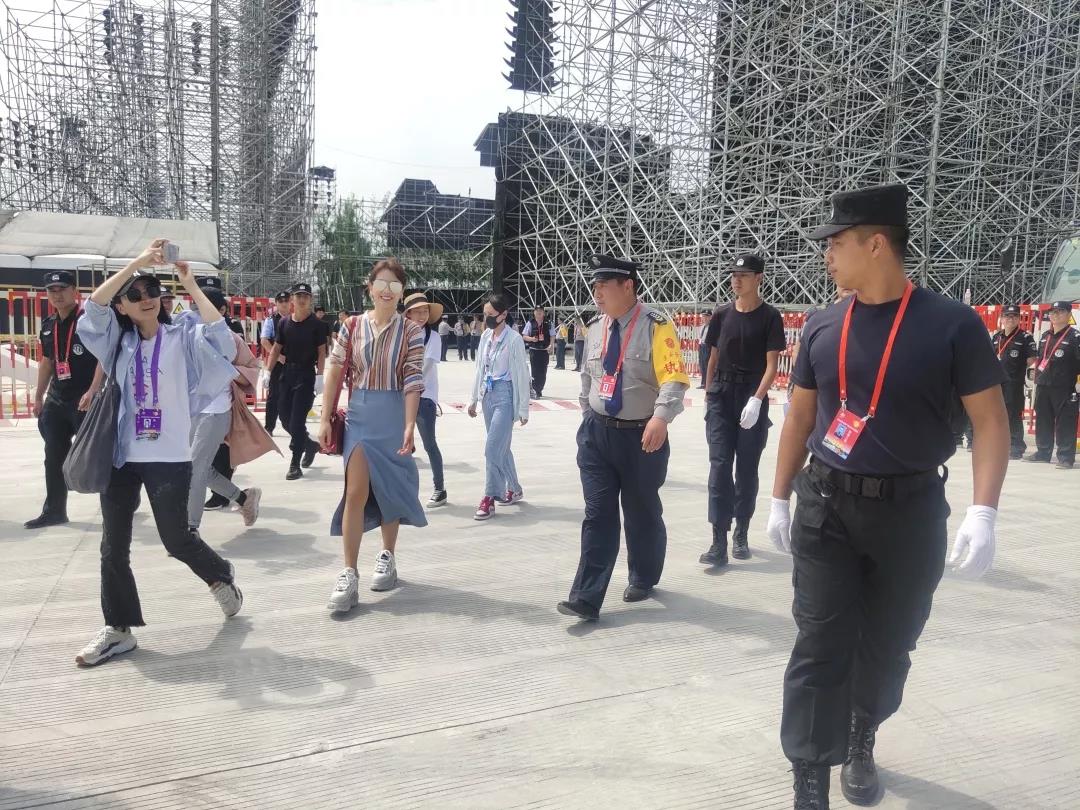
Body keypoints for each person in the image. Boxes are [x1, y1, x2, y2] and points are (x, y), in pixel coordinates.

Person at [766, 184, 1008, 808]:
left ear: (876, 245)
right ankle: (810, 773)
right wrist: (779, 498)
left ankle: (861, 733)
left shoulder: (952, 326)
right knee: (819, 640)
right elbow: (799, 418)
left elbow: (990, 423)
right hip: (827, 504)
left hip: (910, 512)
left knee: (889, 643)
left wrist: (983, 512)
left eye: (837, 242)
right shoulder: (823, 325)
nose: (827, 254)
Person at [73, 239, 244, 667]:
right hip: (121, 456)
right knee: (113, 546)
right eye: (134, 295)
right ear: (123, 306)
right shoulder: (117, 342)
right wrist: (136, 263)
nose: (145, 298)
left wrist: (190, 284)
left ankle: (220, 574)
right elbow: (92, 309)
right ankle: (118, 629)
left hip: (169, 456)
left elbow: (222, 339)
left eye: (151, 290)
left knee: (176, 539)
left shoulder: (183, 336)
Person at [558, 254, 689, 621]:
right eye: (595, 286)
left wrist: (661, 418)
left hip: (641, 437)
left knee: (641, 510)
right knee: (598, 514)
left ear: (628, 286)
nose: (596, 293)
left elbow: (674, 377)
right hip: (597, 435)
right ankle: (586, 597)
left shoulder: (657, 326)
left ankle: (643, 575)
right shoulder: (595, 326)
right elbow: (588, 376)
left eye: (604, 285)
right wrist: (588, 412)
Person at [319, 259, 427, 613]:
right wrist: (324, 417)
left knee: (389, 488)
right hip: (361, 416)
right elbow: (335, 369)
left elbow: (413, 378)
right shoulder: (352, 325)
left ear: (402, 292)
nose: (387, 291)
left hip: (394, 415)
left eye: (395, 285)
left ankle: (387, 556)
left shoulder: (411, 331)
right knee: (355, 491)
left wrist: (409, 425)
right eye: (381, 284)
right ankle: (349, 572)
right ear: (370, 288)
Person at [699, 254, 785, 566]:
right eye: (734, 275)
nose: (736, 280)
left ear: (758, 278)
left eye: (744, 275)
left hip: (751, 395)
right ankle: (718, 540)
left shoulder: (770, 317)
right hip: (722, 396)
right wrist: (709, 394)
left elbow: (772, 364)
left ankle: (741, 533)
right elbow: (712, 357)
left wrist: (757, 399)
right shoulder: (722, 314)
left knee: (747, 469)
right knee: (719, 466)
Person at [186, 281, 271, 535]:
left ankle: (190, 528)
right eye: (195, 306)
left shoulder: (231, 339)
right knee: (198, 468)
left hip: (216, 410)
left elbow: (251, 368)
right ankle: (244, 498)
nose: (198, 312)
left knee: (195, 469)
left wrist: (228, 370)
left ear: (221, 311)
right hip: (189, 411)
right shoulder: (184, 334)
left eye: (204, 307)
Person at [25, 270, 104, 529]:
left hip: (85, 399)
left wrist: (93, 390)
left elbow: (103, 358)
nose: (57, 295)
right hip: (57, 400)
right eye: (52, 290)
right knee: (53, 454)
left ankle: (119, 504)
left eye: (62, 289)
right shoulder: (49, 324)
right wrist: (39, 396)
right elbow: (47, 362)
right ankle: (55, 511)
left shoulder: (87, 322)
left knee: (98, 455)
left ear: (75, 292)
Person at [468, 294, 530, 520]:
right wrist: (474, 398)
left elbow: (522, 374)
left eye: (491, 314)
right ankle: (514, 488)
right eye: (485, 314)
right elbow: (479, 368)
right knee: (501, 447)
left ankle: (489, 498)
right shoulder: (486, 336)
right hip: (488, 394)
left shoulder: (514, 339)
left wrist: (523, 408)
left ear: (503, 315)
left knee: (492, 448)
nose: (487, 318)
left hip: (505, 395)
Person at [263, 282, 325, 480]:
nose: (302, 299)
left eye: (306, 296)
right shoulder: (284, 323)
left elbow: (321, 352)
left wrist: (320, 376)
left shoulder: (317, 325)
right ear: (292, 300)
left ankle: (295, 463)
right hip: (287, 374)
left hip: (306, 376)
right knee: (285, 419)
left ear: (310, 300)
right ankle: (309, 445)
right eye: (298, 296)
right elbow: (276, 349)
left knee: (297, 421)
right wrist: (267, 371)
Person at [403, 292, 448, 508]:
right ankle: (402, 490)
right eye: (417, 312)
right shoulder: (400, 335)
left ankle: (440, 489)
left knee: (429, 444)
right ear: (408, 315)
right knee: (400, 445)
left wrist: (405, 383)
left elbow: (426, 366)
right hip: (401, 396)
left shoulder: (433, 337)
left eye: (425, 311)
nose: (422, 316)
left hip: (424, 397)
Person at [1025, 300, 1080, 468]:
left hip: (1064, 387)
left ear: (1069, 314)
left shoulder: (1075, 337)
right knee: (1043, 419)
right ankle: (1043, 452)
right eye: (1053, 312)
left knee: (1065, 423)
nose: (1055, 315)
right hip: (1043, 384)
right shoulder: (1045, 336)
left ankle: (1065, 457)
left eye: (1060, 312)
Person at [990, 306, 1037, 459]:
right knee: (997, 414)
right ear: (1002, 319)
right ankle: (999, 445)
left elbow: (1031, 359)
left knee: (1013, 414)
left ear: (1018, 319)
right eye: (1007, 316)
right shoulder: (996, 337)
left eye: (1014, 316)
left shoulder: (1025, 337)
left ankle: (1016, 447)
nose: (1010, 319)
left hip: (1013, 382)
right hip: (996, 382)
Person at [261, 291, 291, 434]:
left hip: (294, 363)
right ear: (276, 304)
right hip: (277, 364)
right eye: (281, 301)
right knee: (274, 395)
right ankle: (269, 427)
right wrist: (278, 357)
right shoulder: (271, 320)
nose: (284, 304)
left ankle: (293, 427)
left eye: (286, 301)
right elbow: (264, 341)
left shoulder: (297, 319)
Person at [522, 305, 552, 397]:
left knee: (543, 371)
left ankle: (539, 389)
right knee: (535, 371)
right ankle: (535, 390)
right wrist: (531, 339)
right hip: (534, 350)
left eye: (541, 311)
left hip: (544, 350)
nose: (539, 312)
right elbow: (524, 336)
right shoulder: (530, 323)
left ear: (543, 313)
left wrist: (551, 345)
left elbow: (552, 335)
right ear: (534, 312)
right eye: (537, 311)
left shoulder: (548, 323)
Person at [697, 310, 712, 388]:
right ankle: (703, 383)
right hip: (701, 346)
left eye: (706, 316)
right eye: (703, 316)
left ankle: (708, 383)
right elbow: (700, 337)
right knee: (702, 364)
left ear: (710, 317)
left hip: (708, 346)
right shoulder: (702, 327)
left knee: (707, 364)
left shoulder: (712, 327)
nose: (705, 318)